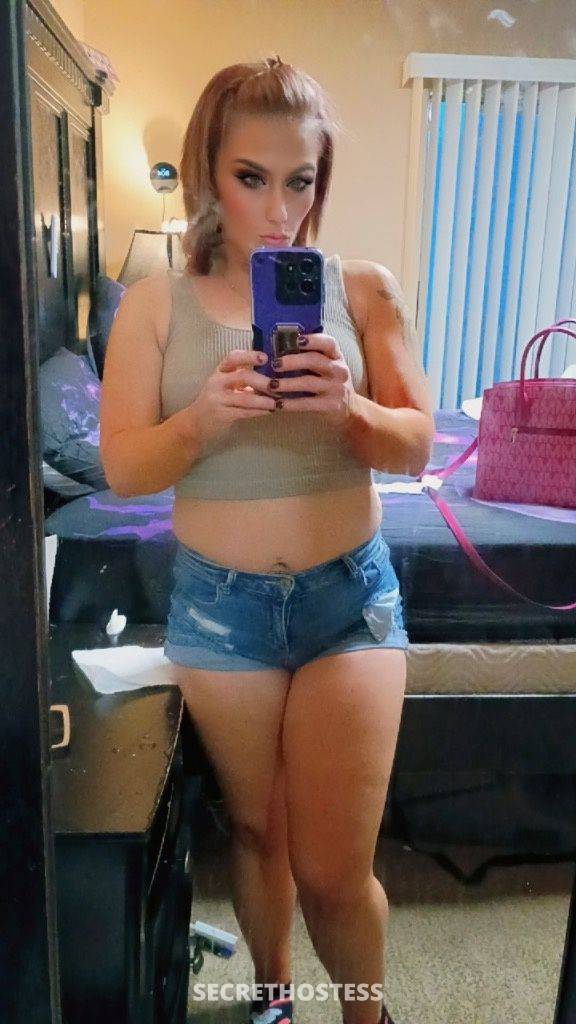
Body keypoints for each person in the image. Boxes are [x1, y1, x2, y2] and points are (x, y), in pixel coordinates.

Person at [100, 55, 434, 1024]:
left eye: (302, 180)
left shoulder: (362, 289)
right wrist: (202, 421)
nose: (280, 210)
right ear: (211, 170)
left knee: (335, 871)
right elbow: (124, 466)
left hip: (347, 602)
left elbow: (417, 443)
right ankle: (274, 998)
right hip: (221, 609)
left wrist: (351, 409)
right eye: (253, 177)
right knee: (257, 832)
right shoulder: (156, 302)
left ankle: (367, 1016)